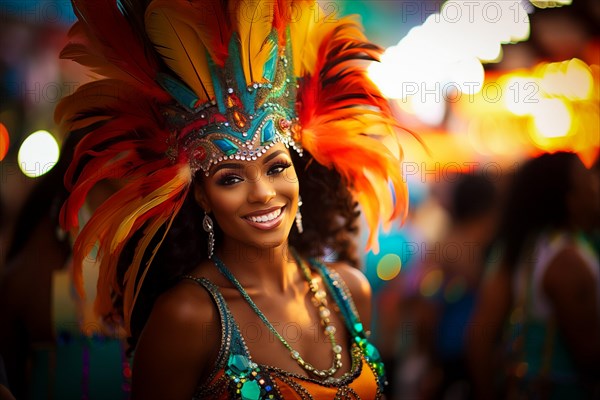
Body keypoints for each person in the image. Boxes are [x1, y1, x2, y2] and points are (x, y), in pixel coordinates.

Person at [56, 1, 408, 399]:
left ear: (298, 173)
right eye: (231, 178)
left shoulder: (349, 291)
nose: (262, 192)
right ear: (203, 197)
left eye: (276, 167)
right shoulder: (189, 316)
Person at [468, 152, 600, 400]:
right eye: (588, 181)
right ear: (570, 199)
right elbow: (591, 355)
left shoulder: (536, 246)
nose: (596, 187)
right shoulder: (564, 261)